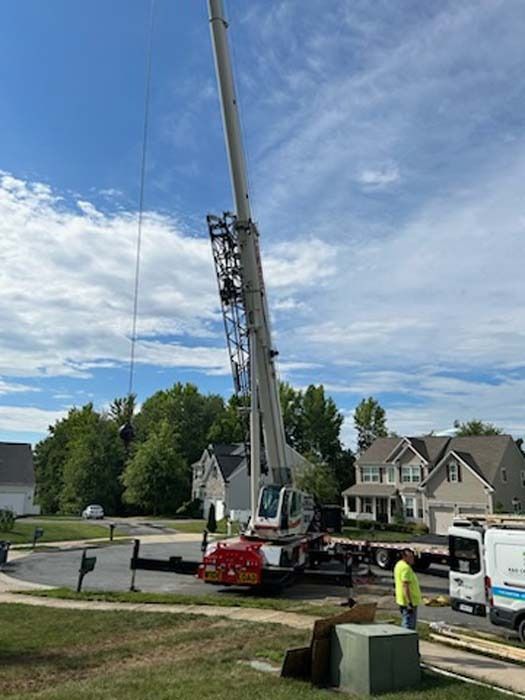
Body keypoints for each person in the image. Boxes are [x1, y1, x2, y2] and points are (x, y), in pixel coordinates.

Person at [394, 548, 422, 630]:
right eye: (410, 557)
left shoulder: (399, 564)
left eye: (412, 556)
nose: (413, 559)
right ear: (404, 557)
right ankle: (406, 641)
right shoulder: (406, 568)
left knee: (406, 619)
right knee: (409, 624)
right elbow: (405, 586)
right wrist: (409, 603)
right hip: (409, 601)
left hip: (401, 599)